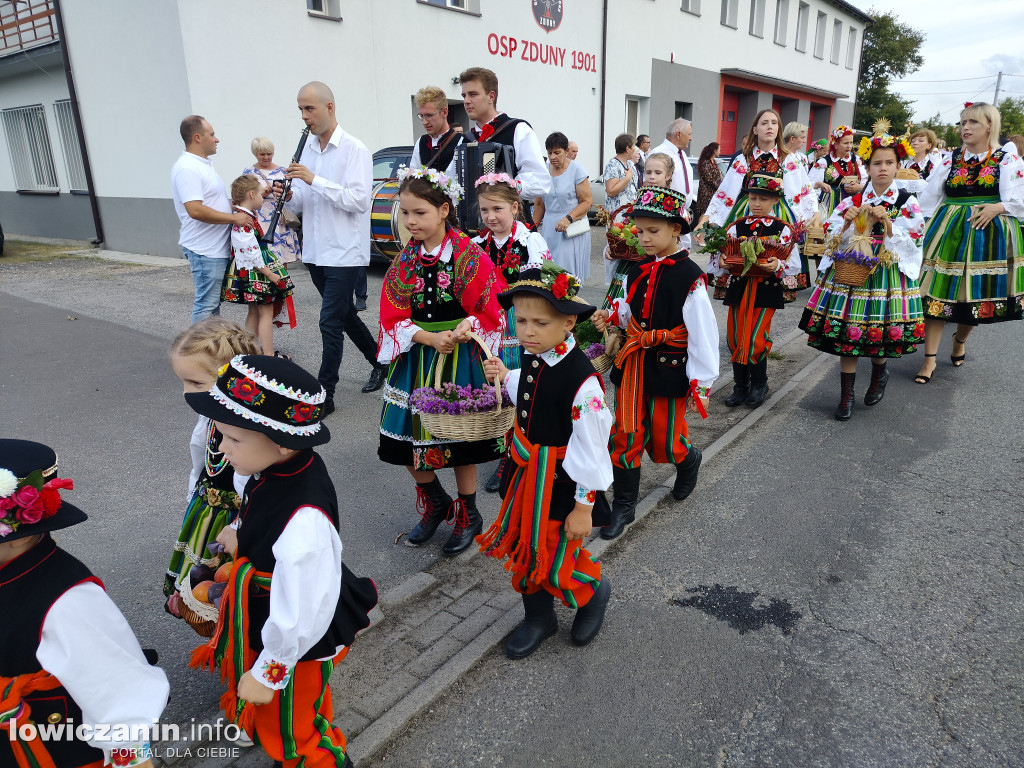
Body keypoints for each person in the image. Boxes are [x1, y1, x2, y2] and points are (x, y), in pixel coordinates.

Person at [186, 354, 377, 768]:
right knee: (301, 709)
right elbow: (260, 504)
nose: (220, 447)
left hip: (297, 637)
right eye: (221, 435)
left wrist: (269, 670)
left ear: (282, 441)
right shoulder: (275, 465)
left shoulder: (304, 519)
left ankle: (315, 758)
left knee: (292, 733)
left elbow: (304, 607)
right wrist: (241, 531)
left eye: (233, 440)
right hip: (280, 616)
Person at [0, 439, 170, 768]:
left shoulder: (69, 601)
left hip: (48, 749)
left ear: (14, 532)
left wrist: (133, 759)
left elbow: (119, 693)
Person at [477, 261, 613, 659]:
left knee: (555, 552)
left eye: (539, 322)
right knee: (524, 547)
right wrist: (505, 373)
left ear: (569, 322)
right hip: (525, 480)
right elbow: (533, 387)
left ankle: (592, 593)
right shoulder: (535, 355)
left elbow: (592, 447)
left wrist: (584, 508)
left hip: (562, 487)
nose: (527, 331)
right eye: (520, 320)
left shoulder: (583, 383)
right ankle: (539, 617)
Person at [376, 167, 506, 555]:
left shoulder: (468, 255)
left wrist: (463, 329)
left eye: (420, 213)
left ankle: (469, 513)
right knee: (401, 440)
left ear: (444, 210)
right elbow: (391, 314)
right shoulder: (404, 262)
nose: (411, 221)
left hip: (460, 355)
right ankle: (435, 502)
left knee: (460, 438)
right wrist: (427, 337)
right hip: (419, 356)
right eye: (405, 213)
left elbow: (489, 306)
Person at [591, 185, 719, 539]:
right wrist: (612, 315)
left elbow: (702, 334)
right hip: (634, 365)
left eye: (653, 231)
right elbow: (632, 309)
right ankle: (623, 506)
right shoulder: (637, 269)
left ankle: (688, 459)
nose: (644, 238)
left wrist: (702, 383)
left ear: (676, 230)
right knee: (626, 434)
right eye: (640, 230)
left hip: (669, 367)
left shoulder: (690, 276)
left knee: (665, 440)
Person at [799, 131, 926, 419]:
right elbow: (831, 238)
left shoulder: (906, 201)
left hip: (886, 274)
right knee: (850, 333)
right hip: (852, 271)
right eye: (877, 163)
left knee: (877, 336)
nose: (883, 168)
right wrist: (844, 224)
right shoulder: (854, 199)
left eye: (889, 163)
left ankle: (880, 373)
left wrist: (888, 223)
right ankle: (846, 397)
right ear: (867, 168)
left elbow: (916, 238)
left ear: (897, 166)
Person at [283, 81, 385, 412]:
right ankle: (380, 361)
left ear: (329, 107)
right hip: (315, 249)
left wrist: (313, 179)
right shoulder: (308, 148)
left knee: (329, 322)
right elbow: (302, 200)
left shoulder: (355, 150)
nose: (304, 116)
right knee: (343, 315)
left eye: (309, 108)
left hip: (343, 251)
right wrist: (288, 195)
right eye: (300, 109)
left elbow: (357, 201)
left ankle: (325, 394)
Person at [915, 102, 1024, 384]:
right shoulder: (950, 159)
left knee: (973, 296)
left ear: (990, 126)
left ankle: (960, 338)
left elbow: (1019, 198)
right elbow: (929, 197)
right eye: (963, 122)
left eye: (973, 122)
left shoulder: (1006, 160)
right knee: (935, 293)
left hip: (987, 233)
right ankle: (929, 359)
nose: (965, 128)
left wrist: (998, 207)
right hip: (948, 228)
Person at [164, 318, 259, 619]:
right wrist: (193, 497)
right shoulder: (207, 419)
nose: (186, 393)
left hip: (239, 521)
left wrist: (239, 527)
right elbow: (198, 461)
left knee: (232, 588)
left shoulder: (250, 434)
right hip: (206, 511)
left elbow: (258, 488)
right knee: (202, 583)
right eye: (183, 382)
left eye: (195, 383)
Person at [473, 172, 552, 494]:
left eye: (497, 209)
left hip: (524, 325)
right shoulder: (477, 245)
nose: (491, 217)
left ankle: (518, 451)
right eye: (484, 210)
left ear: (515, 207)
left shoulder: (530, 241)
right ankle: (504, 447)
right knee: (497, 387)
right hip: (492, 328)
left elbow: (545, 287)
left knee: (524, 387)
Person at [707, 170, 803, 408]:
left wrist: (777, 264)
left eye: (763, 199)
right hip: (739, 288)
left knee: (755, 340)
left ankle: (760, 383)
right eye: (752, 198)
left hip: (765, 289)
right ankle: (741, 386)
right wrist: (720, 262)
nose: (757, 203)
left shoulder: (783, 230)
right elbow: (721, 257)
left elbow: (793, 265)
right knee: (734, 337)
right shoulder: (736, 227)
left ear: (775, 201)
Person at [699, 109, 817, 300]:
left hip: (777, 213)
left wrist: (813, 214)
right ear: (755, 129)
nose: (769, 126)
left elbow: (803, 190)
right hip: (747, 210)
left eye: (773, 123)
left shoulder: (788, 158)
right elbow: (726, 191)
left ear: (779, 129)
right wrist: (708, 217)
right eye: (764, 123)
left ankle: (768, 295)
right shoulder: (743, 158)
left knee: (770, 259)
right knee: (742, 255)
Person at [171, 115, 251, 323]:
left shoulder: (202, 164)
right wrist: (234, 218)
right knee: (206, 304)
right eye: (212, 134)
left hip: (213, 248)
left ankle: (210, 352)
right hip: (204, 249)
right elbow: (195, 210)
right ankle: (196, 354)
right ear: (197, 137)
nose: (217, 139)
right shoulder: (188, 168)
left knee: (212, 305)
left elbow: (208, 202)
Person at [222, 175, 296, 356]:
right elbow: (250, 252)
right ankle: (268, 356)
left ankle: (251, 352)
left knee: (255, 311)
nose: (263, 199)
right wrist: (269, 274)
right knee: (266, 312)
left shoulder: (245, 216)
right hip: (256, 270)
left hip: (252, 268)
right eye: (261, 195)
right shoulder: (244, 220)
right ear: (251, 194)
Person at [460, 67, 551, 200]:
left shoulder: (518, 129)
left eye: (473, 94)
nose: (466, 101)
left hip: (510, 218)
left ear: (491, 96)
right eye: (464, 95)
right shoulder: (465, 140)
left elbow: (541, 181)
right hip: (472, 219)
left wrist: (507, 186)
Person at [602, 152, 677, 311]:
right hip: (631, 263)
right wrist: (614, 247)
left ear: (669, 175)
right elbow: (624, 229)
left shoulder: (675, 205)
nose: (651, 177)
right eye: (648, 172)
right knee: (621, 306)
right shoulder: (637, 201)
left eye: (658, 173)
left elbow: (678, 242)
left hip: (660, 265)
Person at [534, 131, 593, 280]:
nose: (553, 157)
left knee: (566, 276)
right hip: (549, 229)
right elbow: (540, 203)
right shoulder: (544, 170)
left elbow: (586, 201)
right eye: (549, 153)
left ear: (566, 151)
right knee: (548, 274)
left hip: (571, 229)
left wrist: (568, 218)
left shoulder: (577, 170)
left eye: (557, 153)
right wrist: (531, 229)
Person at [243, 137, 302, 264]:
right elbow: (244, 198)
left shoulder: (282, 171)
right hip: (260, 218)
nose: (266, 157)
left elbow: (293, 196)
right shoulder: (249, 172)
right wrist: (262, 194)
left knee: (282, 259)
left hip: (280, 219)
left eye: (269, 154)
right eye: (262, 154)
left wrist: (288, 194)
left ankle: (282, 283)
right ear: (255, 153)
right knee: (262, 257)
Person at [808, 125, 867, 217]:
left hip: (851, 204)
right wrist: (821, 184)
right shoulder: (824, 162)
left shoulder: (856, 160)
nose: (849, 146)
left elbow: (867, 182)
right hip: (830, 203)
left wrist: (859, 188)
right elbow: (809, 184)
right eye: (845, 143)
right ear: (836, 144)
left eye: (851, 142)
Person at [409, 85, 463, 178]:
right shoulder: (421, 142)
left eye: (429, 115)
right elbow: (413, 177)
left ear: (445, 112)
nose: (424, 122)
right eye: (421, 116)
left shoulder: (460, 142)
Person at [694, 141, 723, 221]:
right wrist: (719, 187)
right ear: (714, 151)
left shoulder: (715, 162)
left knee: (711, 213)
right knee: (704, 213)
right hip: (706, 194)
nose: (720, 152)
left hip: (713, 193)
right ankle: (699, 232)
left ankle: (708, 232)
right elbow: (709, 179)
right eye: (719, 150)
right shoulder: (706, 163)